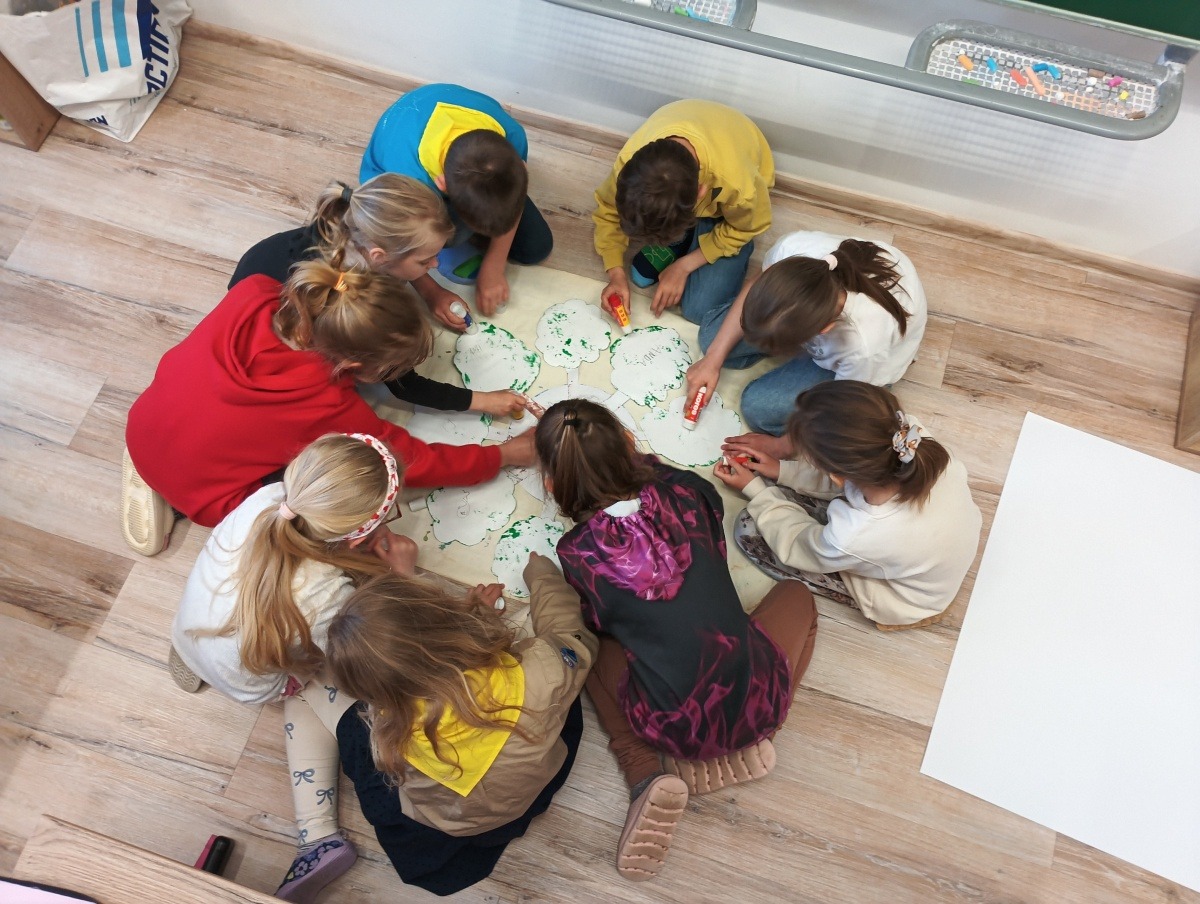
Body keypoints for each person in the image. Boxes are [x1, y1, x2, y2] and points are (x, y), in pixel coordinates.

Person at [536, 400, 818, 881]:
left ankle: (641, 766)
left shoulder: (577, 551)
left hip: (672, 729)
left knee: (591, 646)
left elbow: (601, 620)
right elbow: (708, 533)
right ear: (630, 443)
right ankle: (753, 737)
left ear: (550, 485)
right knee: (798, 596)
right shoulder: (690, 489)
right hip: (757, 698)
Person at [122, 260, 533, 553]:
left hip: (143, 425)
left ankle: (157, 468)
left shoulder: (257, 290)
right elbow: (409, 459)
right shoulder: (325, 404)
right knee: (326, 491)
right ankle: (173, 500)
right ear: (352, 367)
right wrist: (503, 455)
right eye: (391, 370)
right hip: (211, 501)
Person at [170, 433, 418, 903]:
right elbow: (386, 642)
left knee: (268, 637)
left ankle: (196, 660)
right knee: (331, 683)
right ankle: (316, 834)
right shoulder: (329, 597)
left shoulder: (269, 499)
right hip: (254, 680)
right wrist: (403, 577)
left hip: (190, 631)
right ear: (359, 534)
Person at [281, 555, 596, 896]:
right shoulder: (539, 671)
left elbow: (408, 675)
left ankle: (316, 835)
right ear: (447, 616)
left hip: (450, 824)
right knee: (557, 664)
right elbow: (573, 635)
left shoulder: (386, 731)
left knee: (306, 691)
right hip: (530, 789)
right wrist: (542, 574)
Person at [229, 173, 523, 431]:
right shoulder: (354, 304)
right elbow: (402, 382)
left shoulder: (357, 227)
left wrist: (431, 292)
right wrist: (482, 401)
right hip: (258, 336)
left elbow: (397, 264)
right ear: (379, 257)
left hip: (259, 278)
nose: (435, 265)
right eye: (425, 260)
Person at [717, 381, 982, 630]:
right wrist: (782, 470)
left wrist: (756, 491)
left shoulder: (853, 534)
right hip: (940, 552)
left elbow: (799, 546)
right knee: (788, 502)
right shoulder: (908, 435)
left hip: (908, 599)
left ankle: (878, 605)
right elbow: (850, 478)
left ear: (837, 476)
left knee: (748, 529)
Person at [687, 230, 928, 436]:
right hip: (832, 305)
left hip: (868, 366)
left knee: (759, 408)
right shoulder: (792, 249)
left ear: (822, 331)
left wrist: (782, 449)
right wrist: (712, 359)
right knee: (711, 341)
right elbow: (754, 283)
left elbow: (844, 404)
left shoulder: (862, 345)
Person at [360, 84, 553, 315]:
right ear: (442, 186)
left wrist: (495, 264)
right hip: (396, 177)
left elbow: (515, 196)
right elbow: (394, 246)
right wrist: (431, 292)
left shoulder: (511, 135)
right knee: (451, 236)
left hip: (433, 143)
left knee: (536, 248)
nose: (433, 264)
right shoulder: (407, 184)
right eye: (427, 260)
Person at [593, 99, 774, 327]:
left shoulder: (738, 186)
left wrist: (684, 265)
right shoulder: (629, 165)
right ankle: (682, 239)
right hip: (696, 171)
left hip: (732, 206)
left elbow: (749, 227)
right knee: (639, 277)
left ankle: (688, 239)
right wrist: (616, 274)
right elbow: (608, 209)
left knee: (699, 310)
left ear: (701, 194)